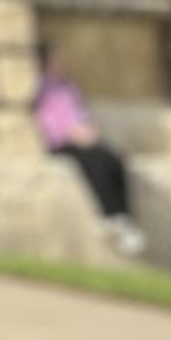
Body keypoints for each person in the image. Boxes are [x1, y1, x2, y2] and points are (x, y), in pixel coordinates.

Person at [34, 56, 147, 255]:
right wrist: (71, 133)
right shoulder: (41, 88)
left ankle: (123, 217)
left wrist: (87, 129)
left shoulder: (68, 86)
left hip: (83, 135)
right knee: (92, 161)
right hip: (62, 141)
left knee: (113, 160)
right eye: (55, 59)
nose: (61, 63)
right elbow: (47, 121)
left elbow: (80, 112)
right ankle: (109, 214)